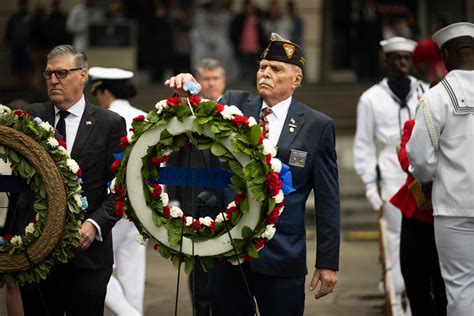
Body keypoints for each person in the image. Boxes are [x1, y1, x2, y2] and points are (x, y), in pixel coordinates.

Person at [165, 33, 340, 316]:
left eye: (276, 69)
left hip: (282, 254)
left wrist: (328, 262)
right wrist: (188, 87)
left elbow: (328, 200)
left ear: (297, 79)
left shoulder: (317, 126)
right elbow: (200, 111)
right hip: (228, 252)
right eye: (262, 67)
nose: (266, 73)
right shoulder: (236, 104)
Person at [16, 45, 127, 315]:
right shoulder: (30, 117)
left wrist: (94, 225)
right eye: (49, 74)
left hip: (87, 259)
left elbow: (121, 188)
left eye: (62, 73)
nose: (53, 80)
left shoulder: (109, 123)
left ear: (83, 76)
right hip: (37, 256)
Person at [353, 36, 428, 314]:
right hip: (390, 173)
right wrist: (371, 186)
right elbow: (363, 145)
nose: (402, 63)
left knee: (424, 238)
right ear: (385, 60)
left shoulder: (426, 90)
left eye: (406, 58)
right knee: (395, 238)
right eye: (396, 58)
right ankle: (398, 299)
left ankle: (421, 293)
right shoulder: (370, 98)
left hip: (422, 174)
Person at [407, 22, 474, 315]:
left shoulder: (435, 96)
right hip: (453, 208)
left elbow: (420, 161)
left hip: (454, 208)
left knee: (460, 288)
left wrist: (430, 176)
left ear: (446, 55)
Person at [166, 58, 227, 316]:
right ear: (198, 83)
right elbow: (174, 159)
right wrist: (175, 201)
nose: (211, 84)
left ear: (223, 81)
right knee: (199, 278)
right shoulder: (189, 114)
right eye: (206, 79)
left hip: (228, 206)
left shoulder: (235, 111)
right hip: (193, 205)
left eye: (215, 79)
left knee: (226, 281)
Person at [88, 66, 146, 316]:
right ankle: (134, 312)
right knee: (132, 271)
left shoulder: (102, 119)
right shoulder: (144, 116)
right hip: (143, 203)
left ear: (103, 92)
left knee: (93, 268)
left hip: (112, 204)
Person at [390, 118, 447, 315]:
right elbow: (406, 159)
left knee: (447, 288)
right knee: (415, 281)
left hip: (451, 215)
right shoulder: (415, 123)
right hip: (418, 214)